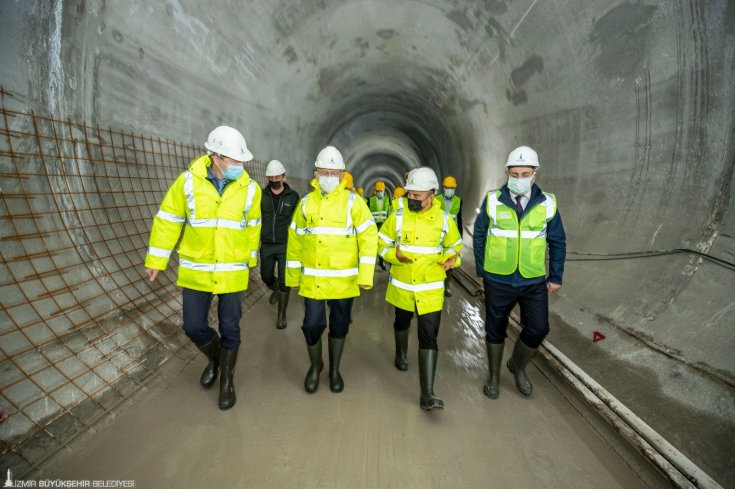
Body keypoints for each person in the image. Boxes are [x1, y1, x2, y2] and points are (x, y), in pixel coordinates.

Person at [144, 126, 261, 410]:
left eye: (241, 161)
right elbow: (168, 219)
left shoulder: (251, 189)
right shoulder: (187, 182)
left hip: (232, 270)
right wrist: (157, 260)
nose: (240, 166)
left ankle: (227, 381)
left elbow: (253, 226)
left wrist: (250, 261)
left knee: (230, 327)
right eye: (234, 161)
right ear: (215, 157)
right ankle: (216, 358)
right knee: (194, 326)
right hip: (197, 270)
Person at [473, 146, 566, 399]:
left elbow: (558, 241)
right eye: (515, 173)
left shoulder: (547, 203)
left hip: (532, 278)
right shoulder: (493, 200)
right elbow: (479, 234)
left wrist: (555, 276)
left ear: (535, 175)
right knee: (495, 328)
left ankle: (518, 365)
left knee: (538, 328)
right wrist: (483, 269)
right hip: (498, 278)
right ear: (507, 173)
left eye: (526, 173)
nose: (520, 178)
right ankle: (493, 377)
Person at [286, 146, 378, 394]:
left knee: (339, 326)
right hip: (313, 281)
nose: (329, 177)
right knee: (312, 325)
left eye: (334, 173)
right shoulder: (305, 204)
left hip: (344, 282)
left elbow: (369, 238)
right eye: (324, 172)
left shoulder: (353, 203)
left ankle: (335, 369)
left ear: (341, 175)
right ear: (315, 174)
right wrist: (292, 276)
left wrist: (365, 275)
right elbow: (294, 242)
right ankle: (316, 366)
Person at [378, 167, 462, 411]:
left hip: (431, 289)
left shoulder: (444, 220)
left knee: (429, 336)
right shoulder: (399, 216)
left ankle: (428, 393)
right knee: (401, 322)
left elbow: (455, 246)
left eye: (417, 196)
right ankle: (401, 353)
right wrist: (394, 255)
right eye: (409, 195)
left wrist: (451, 259)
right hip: (403, 286)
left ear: (432, 195)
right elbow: (381, 242)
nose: (411, 200)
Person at [260, 159, 300, 329]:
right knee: (266, 276)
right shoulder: (261, 196)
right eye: (271, 177)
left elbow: (298, 221)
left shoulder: (293, 197)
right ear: (268, 178)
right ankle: (274, 288)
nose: (275, 180)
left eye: (278, 177)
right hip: (267, 243)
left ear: (284, 176)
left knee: (285, 280)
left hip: (286, 244)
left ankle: (281, 315)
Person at [438, 176, 463, 297]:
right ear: (443, 187)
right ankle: (436, 285)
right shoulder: (436, 200)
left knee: (451, 263)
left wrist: (460, 238)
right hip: (438, 236)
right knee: (437, 262)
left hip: (452, 237)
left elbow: (459, 220)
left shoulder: (458, 201)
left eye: (452, 188)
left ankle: (445, 287)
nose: (449, 190)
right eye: (447, 188)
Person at [369, 180, 392, 270]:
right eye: (378, 191)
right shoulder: (371, 200)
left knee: (383, 244)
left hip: (383, 226)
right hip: (373, 226)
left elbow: (389, 213)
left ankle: (381, 261)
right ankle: (371, 263)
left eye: (381, 191)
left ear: (384, 190)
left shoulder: (387, 200)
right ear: (375, 191)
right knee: (373, 245)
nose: (380, 193)